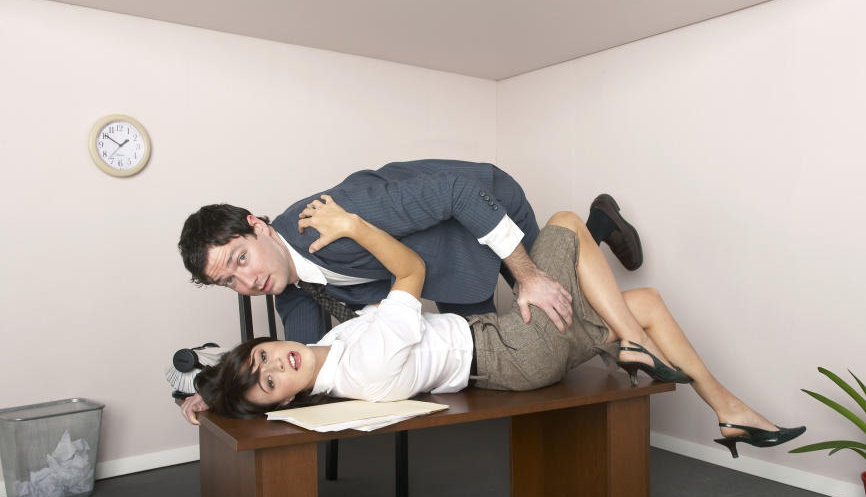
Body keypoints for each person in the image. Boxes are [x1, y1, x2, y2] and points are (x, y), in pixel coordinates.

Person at [189, 195, 805, 458]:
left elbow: (259, 382)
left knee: (640, 300)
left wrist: (208, 396)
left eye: (262, 356)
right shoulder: (364, 360)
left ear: (266, 340)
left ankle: (728, 409)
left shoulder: (325, 353)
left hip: (506, 356)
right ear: (286, 401)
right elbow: (411, 268)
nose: (276, 365)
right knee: (567, 220)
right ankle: (635, 349)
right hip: (512, 347)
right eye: (269, 382)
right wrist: (352, 227)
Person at [178, 159, 642, 421]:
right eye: (229, 281)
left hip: (481, 207)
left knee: (547, 293)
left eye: (240, 259)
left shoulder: (333, 215)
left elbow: (458, 192)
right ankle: (597, 233)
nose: (247, 281)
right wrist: (217, 394)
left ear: (257, 226)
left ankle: (596, 224)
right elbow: (308, 358)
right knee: (525, 340)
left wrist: (527, 275)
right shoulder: (289, 290)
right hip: (443, 269)